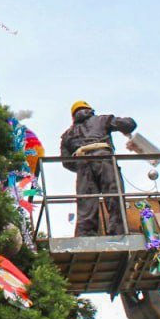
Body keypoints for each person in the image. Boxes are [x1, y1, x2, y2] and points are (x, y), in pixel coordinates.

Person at [60, 101, 138, 237]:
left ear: (73, 116)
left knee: (86, 206)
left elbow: (66, 162)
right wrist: (125, 128)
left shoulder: (67, 135)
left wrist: (80, 166)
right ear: (90, 110)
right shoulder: (102, 120)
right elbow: (130, 124)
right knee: (114, 198)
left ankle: (85, 238)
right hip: (104, 160)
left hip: (83, 165)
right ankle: (118, 235)